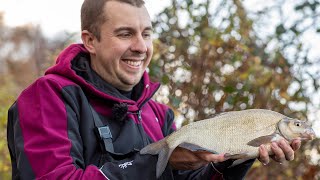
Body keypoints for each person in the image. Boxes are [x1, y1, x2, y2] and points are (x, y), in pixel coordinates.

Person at [7, 0, 301, 179]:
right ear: (90, 41)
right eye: (125, 34)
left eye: (146, 33)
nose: (141, 46)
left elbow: (178, 178)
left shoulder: (158, 114)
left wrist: (236, 159)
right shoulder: (48, 97)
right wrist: (151, 163)